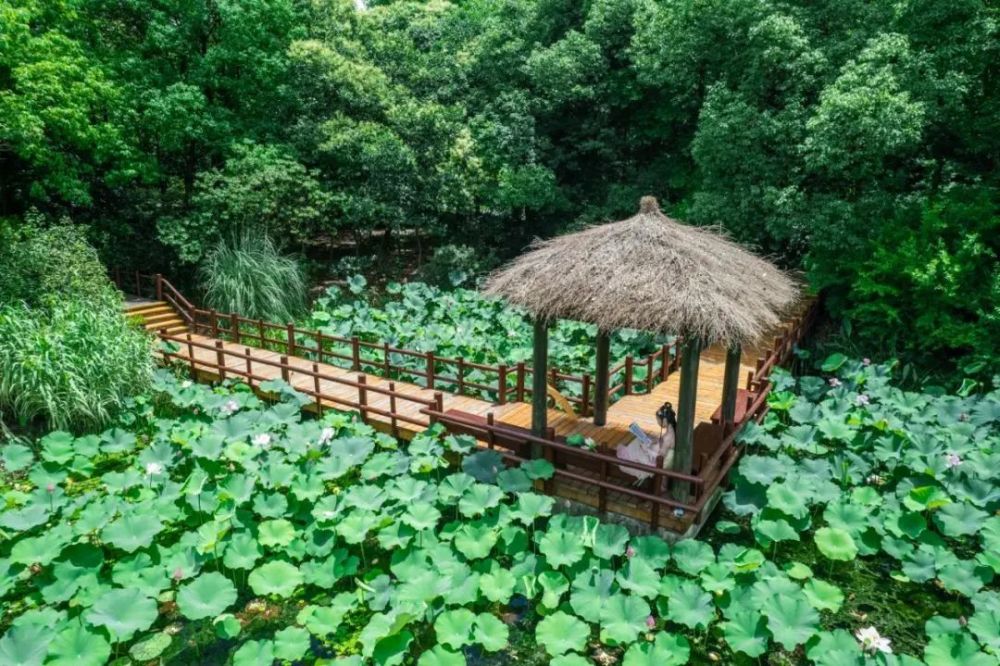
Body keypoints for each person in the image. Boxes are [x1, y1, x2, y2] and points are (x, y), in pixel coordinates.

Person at [616, 402, 676, 483]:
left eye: (658, 420)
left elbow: (660, 458)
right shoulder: (671, 432)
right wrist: (654, 441)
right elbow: (661, 447)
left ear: (665, 420)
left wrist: (646, 449)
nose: (658, 422)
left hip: (653, 461)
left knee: (636, 444)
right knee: (638, 441)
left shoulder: (668, 438)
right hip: (654, 452)